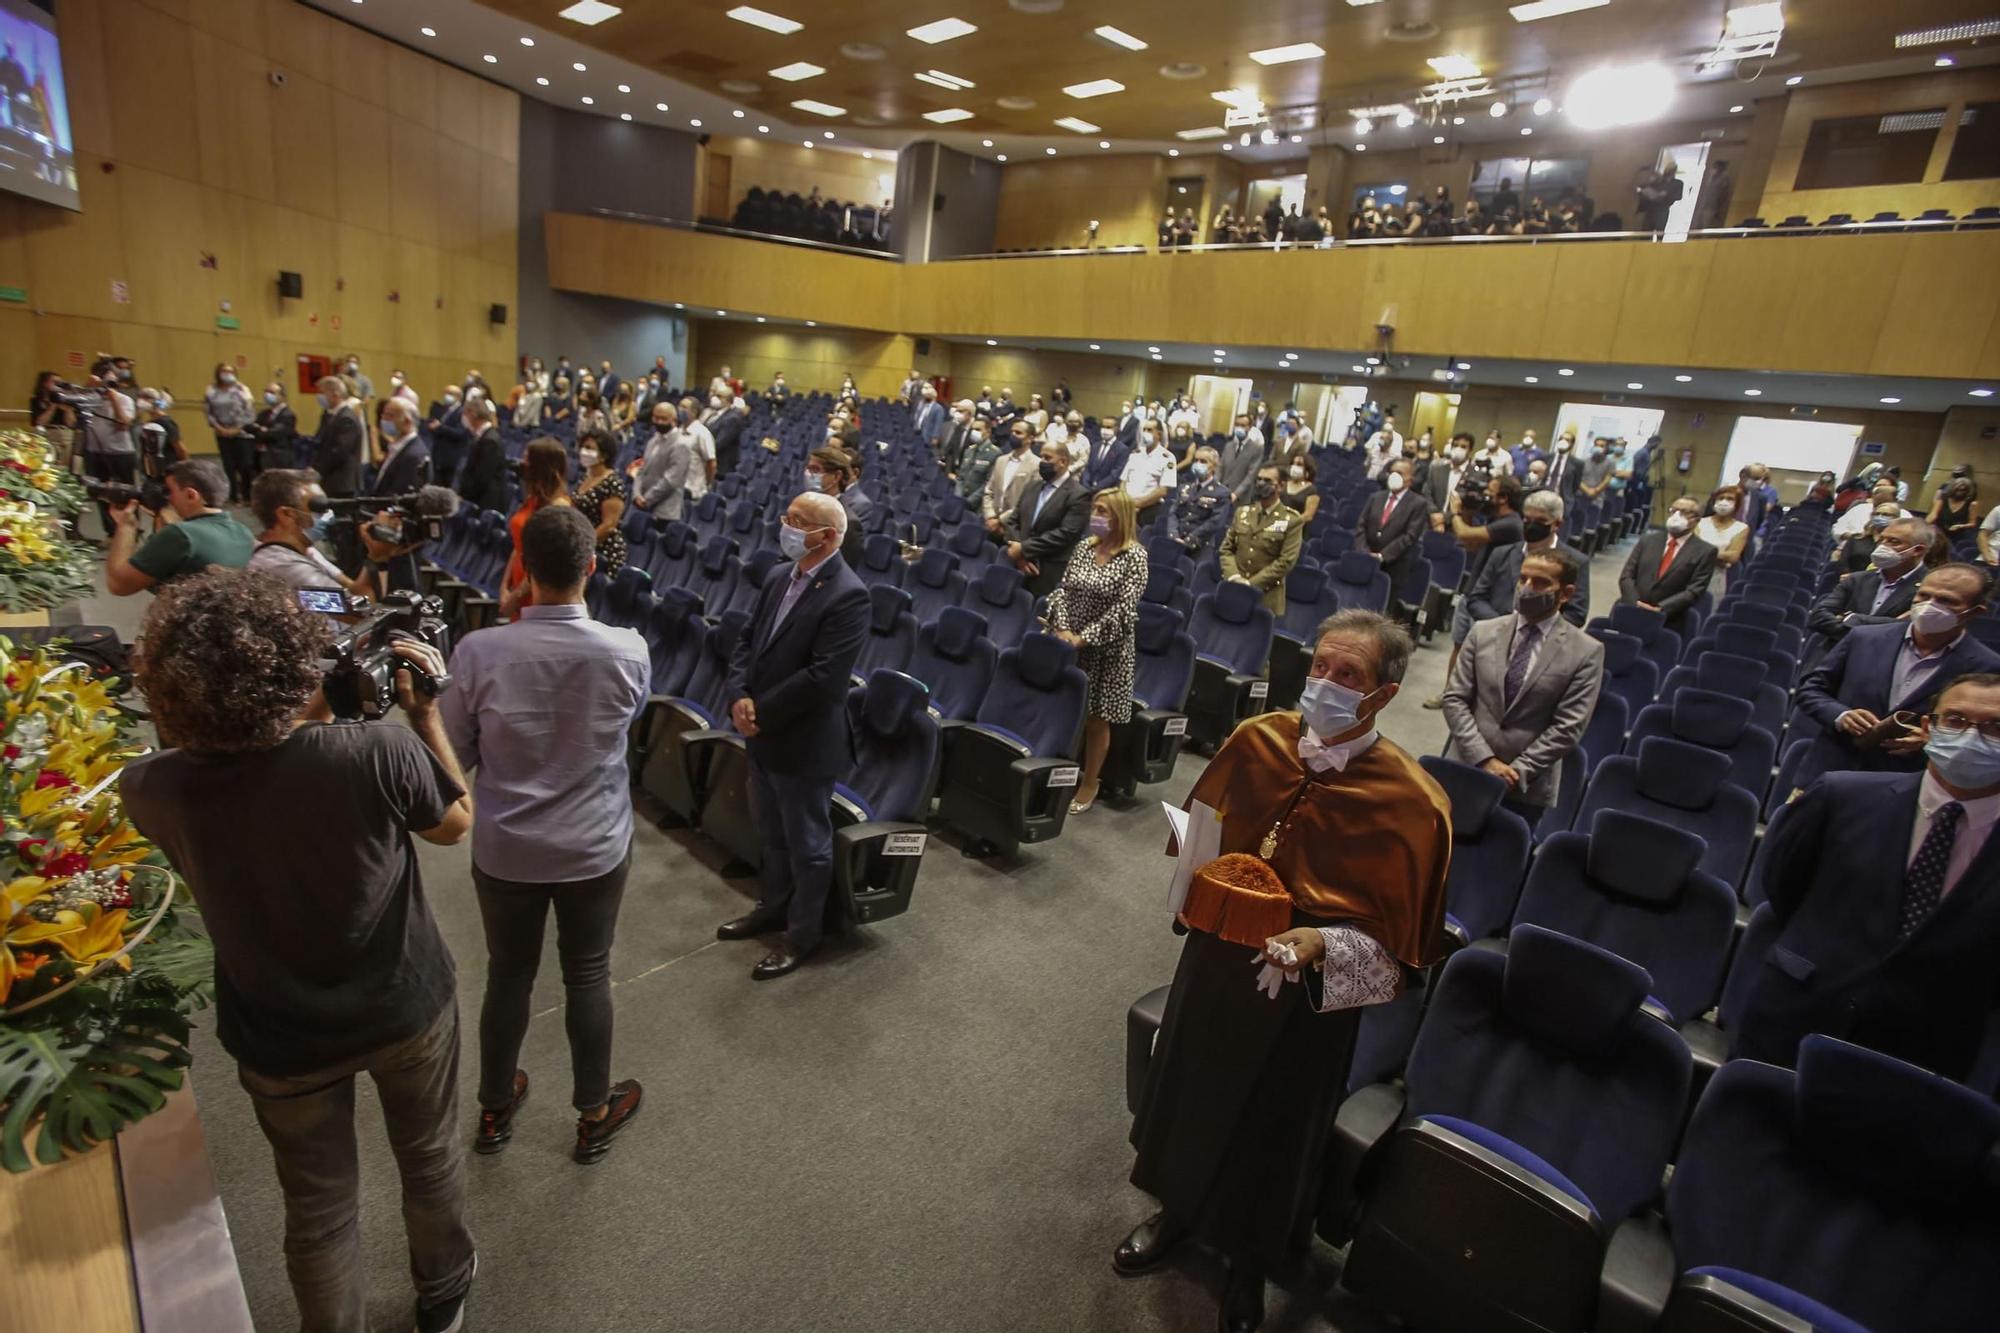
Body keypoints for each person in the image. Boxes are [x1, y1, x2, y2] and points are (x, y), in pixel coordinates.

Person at [121, 570, 475, 1333]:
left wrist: (304, 716)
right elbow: (456, 822)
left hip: (278, 1028)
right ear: (290, 664)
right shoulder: (377, 752)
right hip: (403, 1002)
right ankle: (442, 1293)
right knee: (430, 1158)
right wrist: (424, 712)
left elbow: (246, 772)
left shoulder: (150, 786)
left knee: (317, 1206)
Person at [1119, 610, 1451, 1333]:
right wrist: (1198, 860)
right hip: (1221, 952)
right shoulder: (1258, 739)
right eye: (1321, 667)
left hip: (1306, 991)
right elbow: (1199, 826)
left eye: (1349, 675)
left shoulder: (1413, 803)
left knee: (1276, 1126)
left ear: (1384, 694)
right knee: (1193, 1082)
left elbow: (1400, 955)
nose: (1325, 684)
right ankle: (1176, 1209)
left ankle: (1249, 1260)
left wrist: (1322, 942)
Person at [437, 505, 649, 1164]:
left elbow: (453, 755)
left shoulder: (477, 652)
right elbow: (622, 728)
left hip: (507, 848)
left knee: (508, 976)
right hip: (593, 844)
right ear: (592, 566)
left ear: (523, 567)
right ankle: (592, 1111)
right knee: (588, 974)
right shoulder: (629, 648)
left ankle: (495, 1105)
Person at [1732, 672, 2000, 1082]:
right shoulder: (1842, 796)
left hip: (1921, 1056)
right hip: (1795, 1017)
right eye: (1956, 721)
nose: (1971, 738)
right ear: (1928, 728)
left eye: (1994, 727)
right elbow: (1785, 886)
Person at [715, 491, 871, 980]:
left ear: (826, 536)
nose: (785, 526)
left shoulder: (849, 593)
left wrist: (759, 709)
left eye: (797, 521)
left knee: (808, 845)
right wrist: (739, 694)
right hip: (760, 730)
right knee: (772, 836)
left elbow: (824, 678)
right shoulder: (780, 575)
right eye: (786, 516)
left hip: (804, 741)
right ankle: (771, 907)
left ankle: (801, 936)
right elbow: (747, 639)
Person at [1791, 564, 2000, 790]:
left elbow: (1983, 738)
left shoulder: (1987, 667)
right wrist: (1840, 715)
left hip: (1903, 787)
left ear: (1977, 611)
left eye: (1946, 600)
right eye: (1923, 595)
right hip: (1827, 771)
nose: (1929, 605)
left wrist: (1935, 742)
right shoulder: (1864, 638)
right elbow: (1811, 689)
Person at [1442, 547, 1604, 829]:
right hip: (1465, 766)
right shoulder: (1483, 631)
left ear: (1565, 594)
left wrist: (1516, 771)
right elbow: (1455, 698)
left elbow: (1568, 727)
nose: (1527, 588)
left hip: (1524, 785)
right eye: (1523, 579)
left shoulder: (1586, 651)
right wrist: (1485, 760)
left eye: (1541, 583)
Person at [1044, 489, 1148, 814]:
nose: (1096, 517)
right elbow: (1062, 590)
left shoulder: (1135, 557)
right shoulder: (1084, 548)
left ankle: (1090, 782)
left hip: (1107, 649)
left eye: (1103, 511)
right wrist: (1061, 629)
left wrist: (1083, 638)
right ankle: (1058, 773)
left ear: (1120, 517)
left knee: (1096, 719)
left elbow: (1124, 610)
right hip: (1068, 641)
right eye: (1095, 510)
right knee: (1065, 710)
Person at [104, 459, 253, 595]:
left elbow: (119, 585)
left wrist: (126, 526)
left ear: (191, 495)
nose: (165, 498)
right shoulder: (243, 532)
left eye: (168, 491)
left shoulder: (180, 535)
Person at [246, 468, 382, 602]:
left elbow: (352, 588)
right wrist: (377, 559)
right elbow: (361, 613)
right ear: (286, 514)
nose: (327, 515)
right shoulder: (282, 565)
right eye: (318, 508)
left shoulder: (305, 548)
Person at [1465, 490, 1589, 629]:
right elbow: (1477, 599)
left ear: (1557, 524)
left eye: (1540, 521)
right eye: (1527, 520)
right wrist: (1504, 626)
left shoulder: (1576, 562)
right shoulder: (1501, 553)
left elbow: (1576, 614)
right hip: (1496, 633)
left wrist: (1535, 629)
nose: (1531, 525)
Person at [1807, 517, 1936, 650]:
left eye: (1893, 542)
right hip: (1833, 656)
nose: (1882, 546)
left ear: (1918, 550)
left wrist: (1853, 618)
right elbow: (1818, 617)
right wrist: (1892, 624)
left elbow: (1914, 630)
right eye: (1881, 539)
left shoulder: (1932, 587)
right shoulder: (1857, 579)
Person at [1002, 439, 1091, 598]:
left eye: (1047, 458)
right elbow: (1013, 521)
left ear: (1063, 462)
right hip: (1019, 565)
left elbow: (1065, 534)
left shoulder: (1079, 495)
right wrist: (1021, 556)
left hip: (1048, 570)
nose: (1042, 462)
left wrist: (1024, 548)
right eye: (1041, 456)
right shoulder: (1032, 486)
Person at [499, 439, 573, 621]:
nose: (523, 464)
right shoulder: (532, 499)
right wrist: (504, 587)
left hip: (537, 593)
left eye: (527, 459)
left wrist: (516, 597)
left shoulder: (558, 509)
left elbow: (545, 564)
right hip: (518, 585)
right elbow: (518, 547)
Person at [1618, 495, 1715, 633]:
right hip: (1632, 612)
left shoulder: (1705, 551)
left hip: (1669, 621)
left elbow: (1694, 590)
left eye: (1684, 512)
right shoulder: (1648, 540)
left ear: (1697, 519)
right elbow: (1627, 575)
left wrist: (1661, 608)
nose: (1677, 515)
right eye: (1674, 510)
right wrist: (1635, 603)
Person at [1220, 464, 1304, 615]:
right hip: (1234, 589)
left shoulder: (1291, 520)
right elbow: (1226, 549)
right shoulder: (1242, 513)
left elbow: (1286, 561)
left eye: (1267, 480)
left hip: (1265, 597)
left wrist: (1250, 584)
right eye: (1258, 480)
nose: (1260, 484)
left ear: (1280, 486)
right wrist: (1234, 577)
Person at [1359, 458, 1432, 614]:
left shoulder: (1418, 503)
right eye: (1391, 472)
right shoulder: (1376, 497)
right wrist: (1364, 552)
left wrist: (1382, 556)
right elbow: (1361, 525)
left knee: (1383, 613)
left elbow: (1410, 536)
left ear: (1410, 479)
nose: (1393, 476)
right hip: (1366, 562)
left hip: (1394, 566)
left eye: (1399, 473)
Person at [80, 356, 137, 535]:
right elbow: (74, 414)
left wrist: (113, 399)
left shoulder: (125, 400)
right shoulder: (89, 398)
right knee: (101, 495)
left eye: (113, 379)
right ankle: (111, 532)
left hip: (121, 453)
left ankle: (131, 530)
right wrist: (89, 388)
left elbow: (124, 422)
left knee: (126, 494)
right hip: (95, 452)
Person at [573, 428, 627, 575]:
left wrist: (581, 547)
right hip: (580, 545)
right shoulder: (587, 476)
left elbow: (609, 526)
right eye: (583, 447)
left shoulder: (612, 483)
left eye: (589, 448)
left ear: (603, 456)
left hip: (602, 551)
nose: (583, 451)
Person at [630, 400, 695, 522]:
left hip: (664, 512)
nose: (658, 422)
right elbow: (642, 470)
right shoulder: (653, 440)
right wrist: (637, 494)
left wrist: (647, 499)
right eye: (656, 418)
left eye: (663, 419)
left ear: (674, 420)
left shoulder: (681, 444)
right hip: (642, 504)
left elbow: (671, 480)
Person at [808, 445, 871, 567]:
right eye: (808, 469)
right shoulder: (804, 504)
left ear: (837, 476)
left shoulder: (851, 520)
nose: (809, 474)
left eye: (815, 470)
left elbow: (844, 565)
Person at [1167, 446, 1234, 559]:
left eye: (1203, 461)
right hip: (1177, 541)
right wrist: (1174, 535)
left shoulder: (1222, 493)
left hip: (1200, 545)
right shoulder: (1185, 487)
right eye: (1196, 460)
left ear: (1213, 465)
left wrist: (1189, 539)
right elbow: (1173, 513)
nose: (1198, 464)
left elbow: (1215, 523)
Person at [204, 362, 257, 503]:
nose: (227, 374)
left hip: (242, 432)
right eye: (224, 371)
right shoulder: (212, 390)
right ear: (218, 373)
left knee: (245, 465)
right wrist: (219, 428)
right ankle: (234, 495)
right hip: (221, 432)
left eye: (230, 371)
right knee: (229, 465)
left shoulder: (242, 389)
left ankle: (247, 495)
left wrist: (237, 429)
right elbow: (208, 411)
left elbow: (249, 411)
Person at [1120, 420, 1179, 530]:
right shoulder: (1135, 454)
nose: (1145, 433)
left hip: (1149, 509)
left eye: (1150, 430)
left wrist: (1138, 504)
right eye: (1144, 430)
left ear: (1159, 434)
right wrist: (1126, 502)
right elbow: (1123, 481)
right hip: (1127, 507)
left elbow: (1162, 490)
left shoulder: (1167, 458)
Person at [983, 419, 1038, 532]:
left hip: (1014, 527)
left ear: (1030, 438)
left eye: (1018, 433)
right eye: (1012, 432)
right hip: (990, 524)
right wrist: (990, 516)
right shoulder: (1001, 460)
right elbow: (989, 491)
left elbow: (1027, 502)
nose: (1013, 435)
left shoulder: (1036, 465)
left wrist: (1000, 521)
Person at [455, 398, 506, 515]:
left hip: (486, 502)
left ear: (473, 414)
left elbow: (482, 477)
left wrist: (464, 496)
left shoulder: (490, 440)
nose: (464, 418)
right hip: (479, 498)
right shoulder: (482, 436)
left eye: (465, 414)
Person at [373, 396, 433, 497]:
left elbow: (401, 495)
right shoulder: (396, 446)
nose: (383, 419)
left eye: (390, 416)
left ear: (407, 422)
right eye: (383, 414)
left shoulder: (414, 455)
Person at [1696, 484, 1751, 587]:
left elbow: (1733, 556)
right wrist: (1721, 556)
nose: (1724, 502)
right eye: (1720, 498)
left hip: (1717, 577)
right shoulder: (1699, 522)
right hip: (1693, 572)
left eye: (1730, 499)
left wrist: (1704, 554)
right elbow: (1692, 550)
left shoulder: (1742, 528)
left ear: (1737, 504)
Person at [246, 379, 301, 471]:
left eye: (272, 392)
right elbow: (248, 427)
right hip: (260, 458)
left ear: (283, 396)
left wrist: (260, 429)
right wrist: (261, 429)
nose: (267, 395)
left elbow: (273, 434)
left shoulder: (288, 415)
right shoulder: (264, 413)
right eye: (266, 392)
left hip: (279, 460)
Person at [955, 416, 1002, 504]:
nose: (974, 432)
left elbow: (988, 484)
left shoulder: (995, 453)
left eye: (978, 429)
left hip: (977, 504)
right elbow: (960, 478)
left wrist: (969, 502)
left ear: (988, 432)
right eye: (973, 429)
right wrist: (958, 498)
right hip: (960, 500)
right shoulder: (969, 450)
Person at [1930, 476, 1983, 551]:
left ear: (1968, 491)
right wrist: (1923, 525)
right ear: (1953, 489)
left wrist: (1960, 526)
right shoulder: (1943, 498)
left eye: (1963, 490)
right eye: (1958, 489)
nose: (1960, 492)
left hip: (1957, 536)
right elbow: (1933, 515)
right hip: (1939, 531)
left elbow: (1972, 523)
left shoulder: (1972, 504)